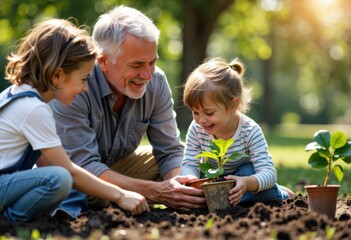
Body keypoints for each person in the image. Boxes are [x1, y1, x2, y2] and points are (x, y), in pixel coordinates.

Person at [48, 5, 205, 217]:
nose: (148, 74)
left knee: (193, 160)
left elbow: (169, 150)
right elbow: (82, 166)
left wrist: (180, 186)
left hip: (115, 170)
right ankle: (112, 197)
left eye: (152, 62)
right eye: (137, 64)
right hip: (75, 177)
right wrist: (157, 192)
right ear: (103, 61)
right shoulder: (74, 87)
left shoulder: (156, 83)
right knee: (80, 189)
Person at [0, 18, 150, 222]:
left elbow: (44, 160)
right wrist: (120, 195)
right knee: (59, 178)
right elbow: (68, 171)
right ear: (57, 75)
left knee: (60, 178)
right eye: (83, 79)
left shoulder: (18, 94)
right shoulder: (34, 109)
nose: (85, 88)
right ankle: (9, 220)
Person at [180, 57, 294, 205]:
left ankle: (280, 194)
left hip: (244, 181)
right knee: (200, 188)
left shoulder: (250, 130)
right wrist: (190, 179)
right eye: (195, 112)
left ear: (233, 106)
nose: (201, 120)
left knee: (250, 173)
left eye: (209, 113)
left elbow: (269, 173)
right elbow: (190, 163)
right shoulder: (197, 129)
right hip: (212, 179)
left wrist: (246, 183)